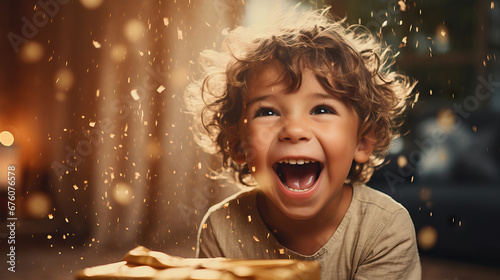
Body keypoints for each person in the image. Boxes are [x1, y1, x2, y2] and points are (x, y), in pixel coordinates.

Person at [185, 6, 421, 280]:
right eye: (267, 112)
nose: (294, 130)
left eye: (321, 109)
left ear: (363, 141)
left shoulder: (385, 229)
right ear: (239, 145)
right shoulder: (222, 227)